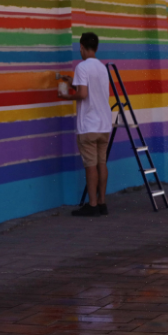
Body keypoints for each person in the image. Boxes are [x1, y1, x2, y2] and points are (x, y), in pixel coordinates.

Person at [69, 32, 113, 218]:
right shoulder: (103, 68)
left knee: (90, 166)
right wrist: (74, 85)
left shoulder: (82, 67)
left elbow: (83, 94)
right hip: (104, 124)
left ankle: (92, 205)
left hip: (88, 125)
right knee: (102, 163)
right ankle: (102, 202)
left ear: (81, 47)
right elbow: (92, 90)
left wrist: (65, 95)